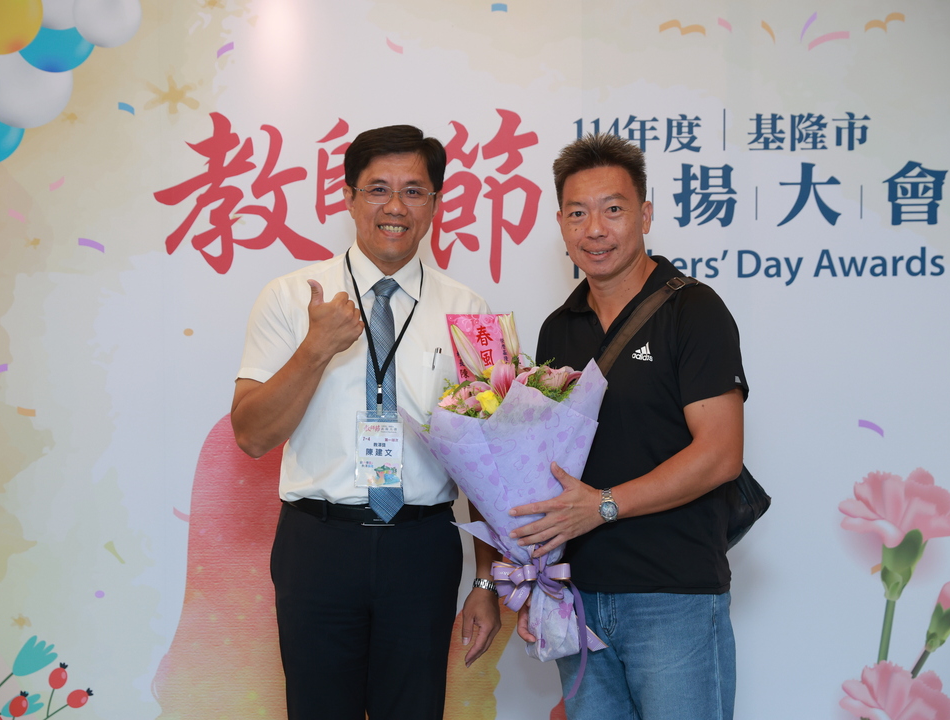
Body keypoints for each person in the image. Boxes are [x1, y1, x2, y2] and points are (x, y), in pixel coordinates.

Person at [231, 125, 502, 720]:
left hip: (422, 546)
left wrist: (486, 582)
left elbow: (490, 463)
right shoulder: (290, 297)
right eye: (378, 189)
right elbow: (251, 435)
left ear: (435, 203)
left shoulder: (471, 313)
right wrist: (315, 348)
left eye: (414, 190)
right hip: (318, 545)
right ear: (349, 198)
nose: (395, 207)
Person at [509, 133, 748, 720]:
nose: (595, 229)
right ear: (560, 224)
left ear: (644, 214)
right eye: (577, 213)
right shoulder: (558, 328)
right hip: (578, 596)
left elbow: (721, 453)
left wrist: (603, 506)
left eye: (612, 209)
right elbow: (544, 462)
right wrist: (533, 579)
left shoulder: (694, 311)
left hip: (672, 595)